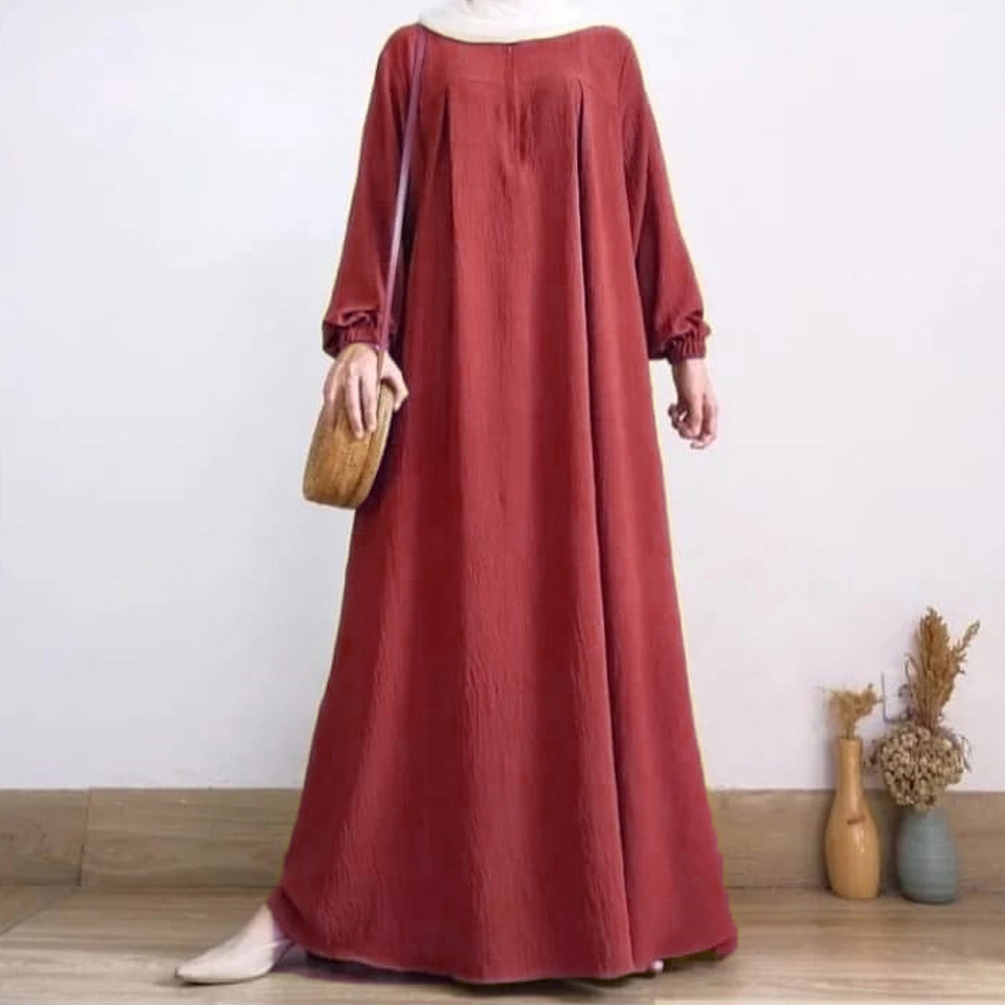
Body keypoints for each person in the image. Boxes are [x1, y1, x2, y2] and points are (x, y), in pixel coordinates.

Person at [176, 0, 736, 986]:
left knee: (593, 618)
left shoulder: (604, 51)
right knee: (408, 637)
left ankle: (617, 912)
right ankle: (314, 910)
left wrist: (683, 345)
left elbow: (643, 195)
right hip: (445, 377)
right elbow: (378, 207)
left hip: (585, 384)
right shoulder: (414, 53)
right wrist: (360, 336)